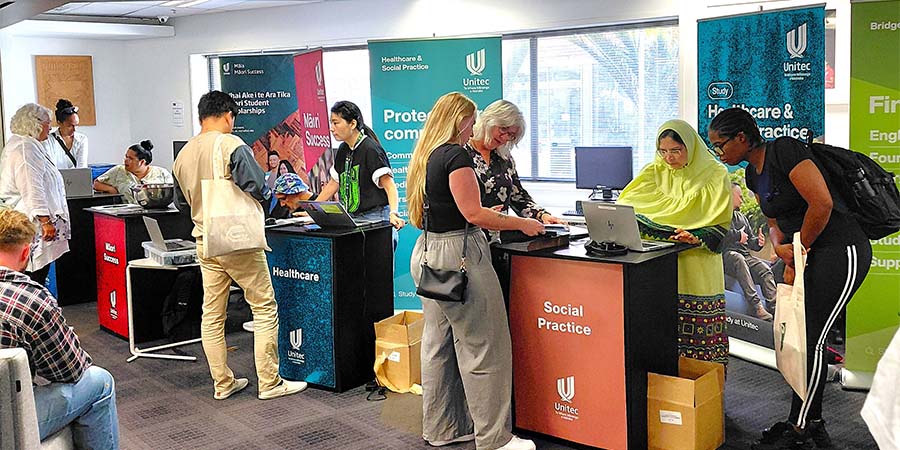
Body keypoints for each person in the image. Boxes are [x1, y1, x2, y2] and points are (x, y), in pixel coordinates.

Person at [708, 107, 872, 450]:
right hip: (806, 253)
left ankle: (800, 428)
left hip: (842, 250)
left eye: (721, 145)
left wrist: (800, 248)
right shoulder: (752, 174)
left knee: (813, 335)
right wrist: (781, 245)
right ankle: (809, 421)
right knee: (802, 338)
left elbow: (822, 203)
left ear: (742, 137)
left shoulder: (785, 151)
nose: (719, 153)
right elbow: (772, 218)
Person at [407, 92, 544, 450]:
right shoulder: (457, 156)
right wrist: (522, 224)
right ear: (461, 120)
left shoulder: (427, 155)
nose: (474, 125)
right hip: (462, 253)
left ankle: (443, 429)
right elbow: (475, 213)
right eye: (471, 118)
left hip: (429, 253)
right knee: (486, 347)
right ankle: (495, 439)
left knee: (437, 346)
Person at [173, 90, 307, 401]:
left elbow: (181, 203)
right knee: (264, 307)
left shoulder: (183, 154)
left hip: (204, 239)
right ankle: (270, 382)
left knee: (212, 314)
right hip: (237, 239)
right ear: (227, 115)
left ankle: (223, 384)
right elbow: (258, 187)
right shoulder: (232, 145)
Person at [0, 208, 118, 449]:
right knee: (99, 382)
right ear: (25, 252)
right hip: (6, 421)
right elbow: (71, 371)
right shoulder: (30, 300)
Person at [617, 119, 732, 366]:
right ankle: (666, 396)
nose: (669, 158)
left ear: (690, 146)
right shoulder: (653, 172)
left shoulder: (714, 173)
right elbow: (626, 207)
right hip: (658, 264)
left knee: (698, 339)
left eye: (676, 151)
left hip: (696, 262)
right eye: (664, 151)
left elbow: (719, 223)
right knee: (660, 331)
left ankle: (703, 397)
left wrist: (695, 235)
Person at [465, 99, 565, 299]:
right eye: (502, 130)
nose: (504, 138)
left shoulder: (504, 158)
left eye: (511, 135)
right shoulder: (460, 153)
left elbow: (518, 195)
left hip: (499, 243)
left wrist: (541, 215)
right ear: (488, 121)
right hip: (468, 242)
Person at [315, 101, 405, 244]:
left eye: (336, 123)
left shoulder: (370, 149)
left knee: (378, 265)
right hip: (353, 218)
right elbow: (334, 182)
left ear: (352, 124)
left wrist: (393, 213)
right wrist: (314, 208)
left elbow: (389, 185)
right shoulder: (343, 149)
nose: (332, 129)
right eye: (331, 123)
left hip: (376, 219)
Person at [0, 103, 70, 285]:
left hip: (29, 218)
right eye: (48, 123)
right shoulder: (25, 148)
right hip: (32, 221)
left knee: (35, 273)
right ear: (36, 124)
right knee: (33, 274)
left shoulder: (27, 145)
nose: (50, 127)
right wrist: (45, 221)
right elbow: (32, 187)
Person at [723, 182, 776, 321]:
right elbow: (719, 234)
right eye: (739, 196)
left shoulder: (742, 217)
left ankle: (774, 308)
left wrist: (758, 243)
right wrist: (737, 236)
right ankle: (756, 306)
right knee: (738, 258)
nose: (742, 200)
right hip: (727, 255)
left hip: (745, 256)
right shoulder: (719, 214)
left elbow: (750, 241)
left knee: (764, 269)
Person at [93, 140, 173, 204]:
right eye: (126, 157)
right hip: (128, 211)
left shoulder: (161, 173)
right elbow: (97, 183)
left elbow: (171, 193)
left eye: (130, 159)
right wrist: (111, 189)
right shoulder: (119, 170)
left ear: (142, 162)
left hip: (156, 211)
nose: (126, 160)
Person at [43, 99, 88, 169]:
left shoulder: (82, 139)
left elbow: (82, 168)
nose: (74, 129)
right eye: (70, 126)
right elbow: (50, 168)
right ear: (59, 122)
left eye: (76, 125)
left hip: (77, 179)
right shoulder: (48, 141)